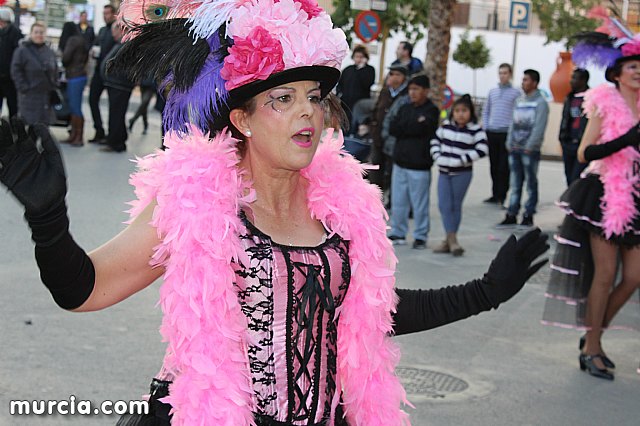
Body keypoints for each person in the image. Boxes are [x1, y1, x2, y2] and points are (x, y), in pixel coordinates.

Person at [0, 1, 549, 424]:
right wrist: (49, 222)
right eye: (282, 99)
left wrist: (483, 294)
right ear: (240, 119)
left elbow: (365, 316)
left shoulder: (339, 206)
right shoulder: (197, 202)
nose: (307, 111)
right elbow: (84, 290)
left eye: (312, 95)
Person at [542, 27, 640, 381]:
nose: (638, 71)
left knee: (633, 278)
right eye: (632, 66)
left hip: (635, 196)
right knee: (603, 276)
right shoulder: (604, 100)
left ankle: (593, 333)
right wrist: (628, 138)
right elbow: (585, 152)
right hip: (603, 195)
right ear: (616, 73)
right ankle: (591, 348)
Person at [430, 95, 488, 256]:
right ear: (452, 112)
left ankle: (451, 239)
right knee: (444, 205)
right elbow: (435, 141)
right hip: (444, 172)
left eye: (464, 111)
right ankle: (450, 240)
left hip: (462, 173)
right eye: (457, 111)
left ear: (470, 112)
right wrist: (437, 156)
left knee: (455, 206)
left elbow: (482, 149)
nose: (460, 114)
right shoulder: (446, 127)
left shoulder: (475, 129)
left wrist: (462, 160)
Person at [387, 74, 439, 249]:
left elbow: (422, 129)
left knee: (420, 204)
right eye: (410, 89)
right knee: (398, 201)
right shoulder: (405, 108)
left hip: (420, 166)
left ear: (426, 91)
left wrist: (408, 127)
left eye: (416, 89)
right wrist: (412, 125)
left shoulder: (431, 110)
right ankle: (398, 232)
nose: (412, 93)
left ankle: (420, 235)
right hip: (400, 162)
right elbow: (393, 128)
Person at [497, 69, 549, 228]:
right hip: (515, 148)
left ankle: (528, 214)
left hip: (529, 151)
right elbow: (513, 123)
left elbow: (539, 127)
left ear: (534, 83)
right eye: (523, 79)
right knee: (515, 183)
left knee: (531, 183)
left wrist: (530, 146)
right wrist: (509, 142)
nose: (523, 83)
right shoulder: (519, 101)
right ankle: (512, 213)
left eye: (526, 80)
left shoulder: (541, 103)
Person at [481, 63, 521, 206]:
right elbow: (486, 111)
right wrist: (486, 127)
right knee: (493, 165)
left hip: (506, 133)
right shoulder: (493, 92)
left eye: (505, 73)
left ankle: (502, 195)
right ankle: (494, 193)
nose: (502, 76)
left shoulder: (516, 93)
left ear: (510, 74)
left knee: (503, 167)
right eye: (500, 73)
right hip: (492, 132)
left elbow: (518, 113)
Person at [369, 64, 408, 192]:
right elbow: (376, 110)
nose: (393, 77)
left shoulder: (406, 94)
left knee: (392, 172)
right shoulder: (385, 91)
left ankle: (390, 201)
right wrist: (373, 128)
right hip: (378, 137)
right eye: (391, 74)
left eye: (397, 74)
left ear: (404, 77)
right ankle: (374, 197)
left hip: (394, 141)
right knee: (375, 169)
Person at [10, 22, 58, 125]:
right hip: (29, 95)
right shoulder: (22, 51)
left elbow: (55, 69)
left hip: (45, 96)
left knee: (43, 127)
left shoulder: (49, 51)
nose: (39, 35)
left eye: (41, 32)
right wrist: (23, 87)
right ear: (31, 34)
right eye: (36, 32)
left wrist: (54, 84)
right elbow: (15, 70)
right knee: (30, 128)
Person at [100, 23, 134, 153]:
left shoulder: (126, 45)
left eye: (114, 31)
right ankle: (118, 139)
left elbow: (124, 67)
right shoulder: (121, 44)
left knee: (116, 115)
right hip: (116, 84)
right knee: (117, 114)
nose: (112, 34)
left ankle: (115, 143)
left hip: (119, 85)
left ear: (120, 30)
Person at [87, 4, 116, 143]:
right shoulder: (102, 30)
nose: (105, 16)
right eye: (104, 13)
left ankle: (111, 136)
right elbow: (95, 45)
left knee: (113, 105)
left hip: (111, 73)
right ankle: (99, 130)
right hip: (99, 71)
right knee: (92, 99)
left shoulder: (117, 30)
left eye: (108, 13)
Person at [59, 21, 89, 146]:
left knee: (75, 107)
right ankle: (74, 135)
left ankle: (78, 137)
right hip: (80, 75)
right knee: (75, 106)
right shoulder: (81, 39)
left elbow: (65, 58)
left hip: (74, 76)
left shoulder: (72, 40)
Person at [558, 68, 589, 186]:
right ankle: (570, 203)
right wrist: (562, 138)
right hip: (568, 143)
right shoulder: (569, 98)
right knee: (569, 177)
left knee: (577, 178)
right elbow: (565, 119)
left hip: (582, 144)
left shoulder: (590, 98)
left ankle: (575, 203)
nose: (571, 81)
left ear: (583, 80)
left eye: (574, 78)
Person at [336, 44, 375, 131]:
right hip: (346, 104)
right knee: (345, 127)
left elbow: (368, 83)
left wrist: (361, 69)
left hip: (360, 104)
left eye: (361, 57)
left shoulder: (369, 70)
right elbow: (340, 84)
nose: (358, 59)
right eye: (356, 56)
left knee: (357, 127)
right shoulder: (348, 70)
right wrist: (339, 95)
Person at [0, 6, 23, 118]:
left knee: (12, 105)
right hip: (3, 75)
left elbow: (19, 55)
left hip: (10, 77)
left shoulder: (15, 33)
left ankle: (13, 129)